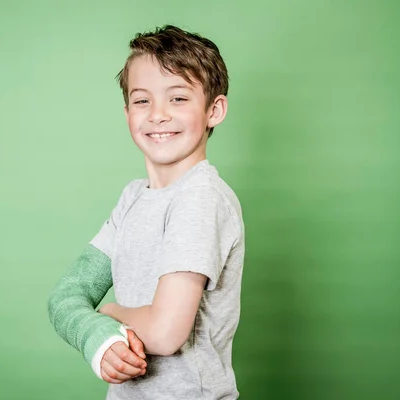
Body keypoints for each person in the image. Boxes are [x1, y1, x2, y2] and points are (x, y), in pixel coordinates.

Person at [48, 24, 245, 400]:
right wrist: (92, 334)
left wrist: (105, 316)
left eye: (178, 99)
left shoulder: (201, 198)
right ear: (127, 114)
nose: (157, 115)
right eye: (142, 100)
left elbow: (165, 333)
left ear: (214, 110)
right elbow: (66, 295)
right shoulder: (134, 197)